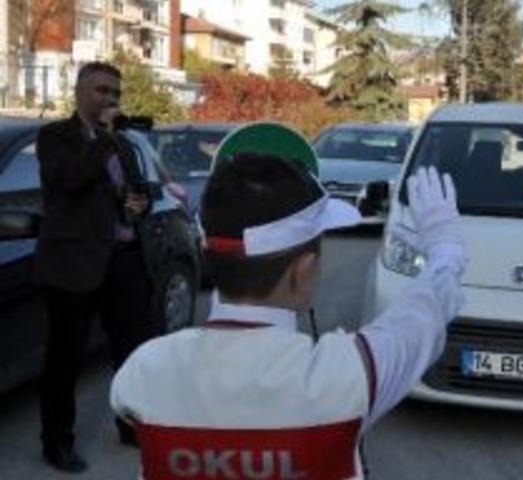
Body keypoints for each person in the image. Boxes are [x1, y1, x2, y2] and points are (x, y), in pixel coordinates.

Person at [109, 123, 467, 480]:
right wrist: (444, 246)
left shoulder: (144, 370)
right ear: (303, 269)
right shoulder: (350, 372)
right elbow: (426, 312)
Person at [35, 61, 156, 473]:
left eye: (115, 94)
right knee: (64, 360)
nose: (110, 100)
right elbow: (70, 180)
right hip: (73, 264)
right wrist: (105, 137)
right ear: (80, 92)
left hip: (123, 260)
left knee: (132, 353)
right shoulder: (55, 137)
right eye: (102, 91)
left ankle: (129, 427)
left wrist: (140, 202)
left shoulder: (120, 144)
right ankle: (57, 443)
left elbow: (140, 191)